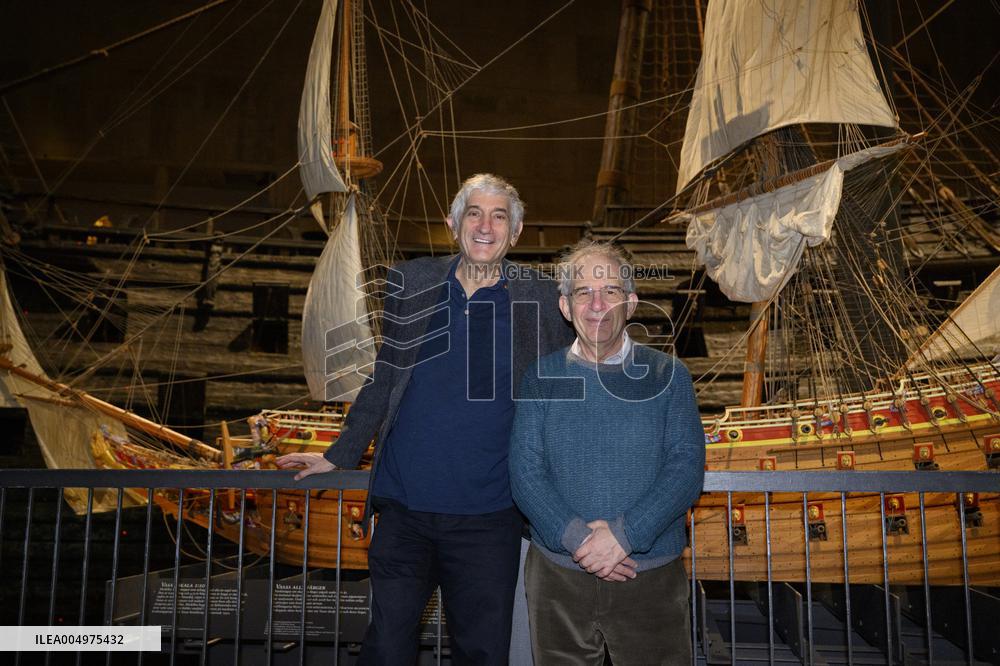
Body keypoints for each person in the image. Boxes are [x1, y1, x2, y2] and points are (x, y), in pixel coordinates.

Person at [277, 174, 572, 665]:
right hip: (404, 513)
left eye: (500, 216)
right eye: (474, 213)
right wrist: (338, 454)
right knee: (387, 650)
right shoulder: (411, 281)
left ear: (515, 234)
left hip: (490, 515)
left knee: (482, 652)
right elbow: (385, 379)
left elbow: (567, 385)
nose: (485, 225)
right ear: (453, 223)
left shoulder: (540, 298)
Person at [509, 240, 705, 665]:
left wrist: (624, 536)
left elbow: (686, 469)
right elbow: (526, 474)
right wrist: (582, 541)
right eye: (583, 292)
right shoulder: (541, 378)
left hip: (649, 576)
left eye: (610, 291)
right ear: (565, 306)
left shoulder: (670, 375)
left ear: (631, 303)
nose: (597, 304)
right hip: (559, 578)